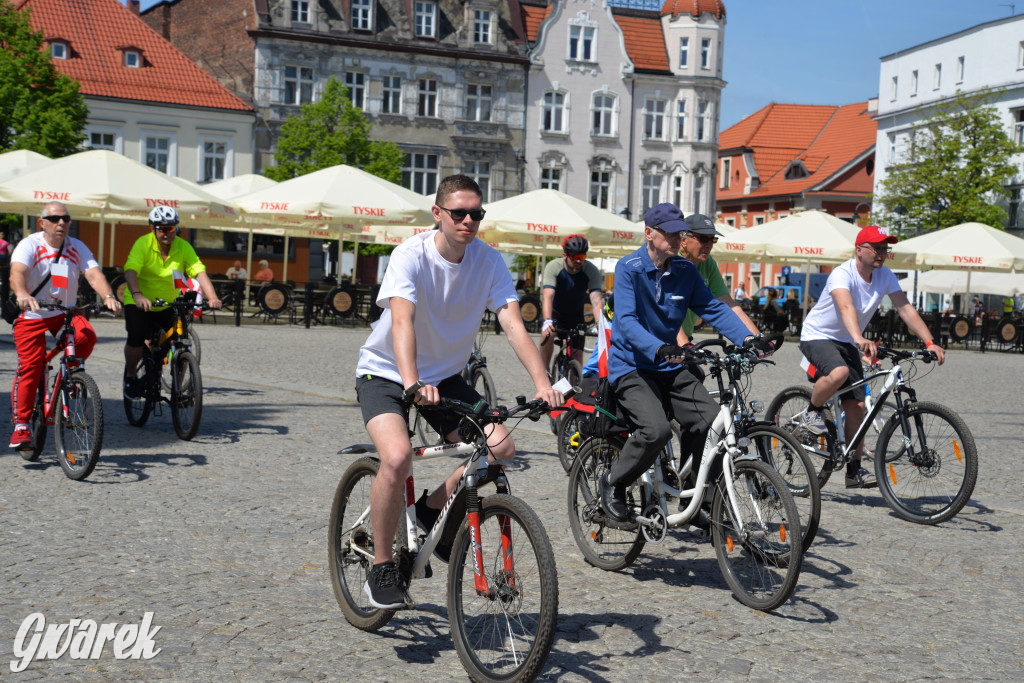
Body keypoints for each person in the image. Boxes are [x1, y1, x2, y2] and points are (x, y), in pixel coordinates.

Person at [354, 174, 562, 609]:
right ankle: (380, 567)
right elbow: (403, 321)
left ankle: (430, 509)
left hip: (445, 377)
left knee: (500, 448)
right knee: (396, 457)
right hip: (387, 372)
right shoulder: (411, 254)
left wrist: (544, 386)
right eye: (459, 212)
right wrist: (411, 383)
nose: (469, 220)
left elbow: (513, 325)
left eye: (477, 213)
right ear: (438, 214)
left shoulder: (488, 262)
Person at [599, 203, 772, 524]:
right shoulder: (629, 268)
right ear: (649, 233)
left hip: (669, 367)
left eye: (680, 231)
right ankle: (614, 482)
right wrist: (659, 347)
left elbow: (714, 309)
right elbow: (626, 320)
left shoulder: (685, 271)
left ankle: (694, 497)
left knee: (709, 423)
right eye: (670, 232)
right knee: (656, 431)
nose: (678, 237)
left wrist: (749, 338)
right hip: (632, 366)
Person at [798, 225, 945, 488]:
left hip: (846, 340)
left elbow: (905, 308)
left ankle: (854, 471)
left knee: (858, 407)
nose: (882, 253)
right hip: (817, 335)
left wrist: (930, 341)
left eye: (885, 249)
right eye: (876, 248)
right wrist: (858, 338)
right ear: (859, 250)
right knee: (839, 373)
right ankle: (813, 410)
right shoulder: (842, 274)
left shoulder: (885, 275)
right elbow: (845, 306)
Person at [8, 202, 121, 448]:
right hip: (33, 312)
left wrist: (108, 297)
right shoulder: (30, 244)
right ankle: (22, 426)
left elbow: (93, 274)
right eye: (55, 218)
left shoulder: (77, 247)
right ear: (43, 222)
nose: (61, 222)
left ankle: (67, 377)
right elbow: (16, 272)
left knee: (86, 336)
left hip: (63, 313)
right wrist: (22, 293)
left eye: (66, 218)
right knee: (30, 366)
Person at [122, 206, 222, 399]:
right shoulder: (143, 244)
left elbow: (198, 270)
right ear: (152, 228)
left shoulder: (183, 246)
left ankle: (177, 387)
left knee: (180, 338)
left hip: (167, 303)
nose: (167, 232)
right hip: (139, 300)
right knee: (136, 337)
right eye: (162, 228)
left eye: (171, 228)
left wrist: (213, 297)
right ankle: (131, 375)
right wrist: (137, 295)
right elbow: (130, 270)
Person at [678, 213, 759, 341]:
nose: (709, 245)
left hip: (685, 339)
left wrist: (756, 338)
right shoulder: (670, 260)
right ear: (683, 240)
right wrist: (683, 345)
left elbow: (728, 304)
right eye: (704, 239)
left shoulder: (708, 263)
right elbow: (662, 313)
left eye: (713, 240)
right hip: (661, 341)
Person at [539, 235, 604, 371]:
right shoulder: (554, 267)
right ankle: (544, 371)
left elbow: (596, 298)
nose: (579, 261)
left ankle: (574, 389)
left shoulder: (591, 270)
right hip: (554, 312)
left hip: (575, 315)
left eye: (582, 256)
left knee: (577, 356)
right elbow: (548, 296)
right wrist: (547, 320)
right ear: (565, 255)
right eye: (574, 257)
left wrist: (599, 324)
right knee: (547, 334)